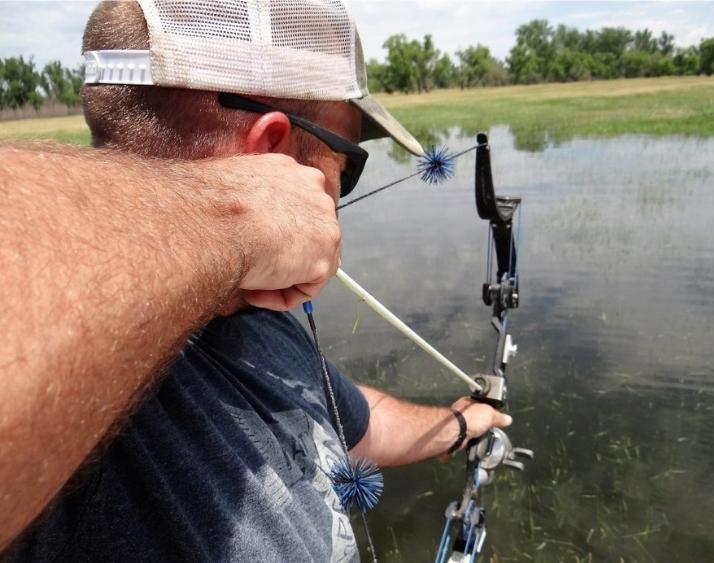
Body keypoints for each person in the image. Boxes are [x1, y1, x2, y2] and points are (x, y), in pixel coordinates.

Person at [2, 1, 511, 561]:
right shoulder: (76, 403)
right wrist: (223, 221)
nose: (340, 194)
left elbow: (348, 425)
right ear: (272, 155)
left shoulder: (256, 312)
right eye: (348, 161)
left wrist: (461, 424)